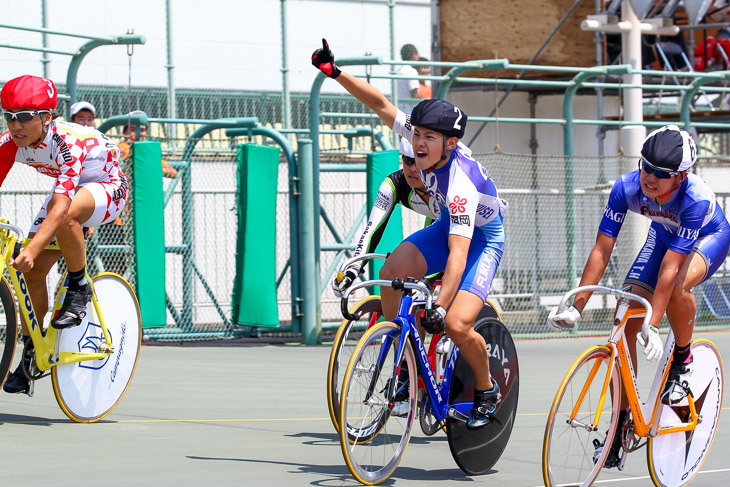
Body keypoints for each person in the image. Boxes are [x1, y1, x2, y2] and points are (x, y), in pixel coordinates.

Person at [313, 39, 508, 429]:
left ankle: (487, 388)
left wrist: (440, 305)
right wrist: (335, 73)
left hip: (482, 240)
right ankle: (406, 364)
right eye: (416, 134)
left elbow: (457, 255)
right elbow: (381, 105)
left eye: (428, 138)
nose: (418, 143)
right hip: (445, 229)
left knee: (454, 323)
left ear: (450, 144)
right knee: (394, 268)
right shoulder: (424, 145)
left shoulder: (460, 184)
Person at [547, 125, 730, 467]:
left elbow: (671, 269)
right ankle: (623, 422)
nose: (650, 176)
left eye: (662, 173)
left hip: (708, 236)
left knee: (676, 289)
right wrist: (577, 307)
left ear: (680, 177)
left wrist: (655, 323)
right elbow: (602, 249)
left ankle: (683, 360)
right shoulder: (626, 187)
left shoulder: (695, 199)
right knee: (625, 315)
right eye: (645, 166)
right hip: (663, 235)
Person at [0, 75, 128, 394]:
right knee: (33, 273)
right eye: (9, 116)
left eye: (25, 117)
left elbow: (60, 208)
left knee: (66, 215)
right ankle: (33, 352)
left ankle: (79, 285)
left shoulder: (66, 142)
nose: (16, 125)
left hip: (107, 186)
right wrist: (30, 256)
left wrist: (30, 248)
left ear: (46, 117)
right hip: (68, 191)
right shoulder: (9, 143)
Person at [333, 137, 439, 295]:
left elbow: (451, 243)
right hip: (436, 223)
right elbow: (371, 230)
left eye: (418, 162)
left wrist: (428, 280)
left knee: (445, 304)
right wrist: (353, 269)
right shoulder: (393, 184)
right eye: (407, 160)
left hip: (467, 231)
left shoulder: (444, 186)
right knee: (392, 276)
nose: (412, 168)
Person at [396, 43, 422, 110]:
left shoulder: (398, 71)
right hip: (409, 110)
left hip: (399, 109)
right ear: (414, 55)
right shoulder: (411, 71)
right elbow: (414, 94)